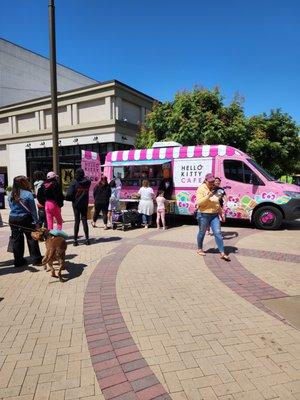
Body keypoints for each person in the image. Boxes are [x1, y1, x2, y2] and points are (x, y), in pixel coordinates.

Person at [8, 175, 42, 268]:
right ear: (23, 182)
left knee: (16, 240)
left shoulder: (11, 193)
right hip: (25, 218)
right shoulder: (28, 194)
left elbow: (11, 207)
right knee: (31, 238)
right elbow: (33, 210)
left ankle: (18, 261)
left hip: (13, 218)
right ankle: (36, 259)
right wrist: (37, 222)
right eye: (27, 180)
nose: (28, 182)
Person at [196, 173, 230, 261]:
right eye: (210, 182)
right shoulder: (201, 188)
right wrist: (208, 196)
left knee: (218, 233)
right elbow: (199, 202)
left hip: (214, 215)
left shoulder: (215, 189)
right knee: (202, 232)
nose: (212, 183)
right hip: (203, 214)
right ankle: (199, 249)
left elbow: (217, 203)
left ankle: (222, 252)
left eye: (213, 181)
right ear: (206, 180)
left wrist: (221, 213)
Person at [66, 168, 91, 246]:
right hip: (84, 203)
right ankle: (87, 239)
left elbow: (69, 194)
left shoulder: (74, 182)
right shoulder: (88, 182)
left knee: (77, 221)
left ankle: (75, 240)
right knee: (84, 220)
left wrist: (72, 199)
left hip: (76, 204)